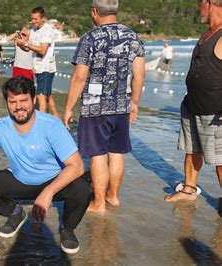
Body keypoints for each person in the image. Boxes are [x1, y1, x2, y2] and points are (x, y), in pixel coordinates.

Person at [0, 76, 91, 254]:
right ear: (7, 103)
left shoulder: (51, 125)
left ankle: (68, 228)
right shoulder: (0, 127)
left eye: (23, 100)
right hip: (20, 179)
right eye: (13, 102)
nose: (18, 106)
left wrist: (48, 192)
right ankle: (15, 212)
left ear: (33, 99)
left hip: (53, 181)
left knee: (83, 189)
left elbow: (77, 166)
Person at [63, 0, 145, 214]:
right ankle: (113, 196)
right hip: (121, 105)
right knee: (117, 152)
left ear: (94, 12)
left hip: (95, 106)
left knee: (98, 154)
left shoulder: (90, 38)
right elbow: (139, 74)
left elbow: (80, 77)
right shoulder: (132, 37)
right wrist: (134, 103)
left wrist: (69, 107)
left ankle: (98, 203)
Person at [164, 0, 222, 207]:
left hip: (215, 111)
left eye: (199, 4)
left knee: (221, 160)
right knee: (192, 150)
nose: (198, 10)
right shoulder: (209, 32)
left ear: (208, 3)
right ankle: (189, 189)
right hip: (192, 105)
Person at [16, 7, 59, 117]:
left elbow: (42, 50)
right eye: (32, 19)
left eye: (36, 19)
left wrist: (25, 44)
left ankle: (41, 123)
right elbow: (29, 49)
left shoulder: (47, 30)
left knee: (41, 96)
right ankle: (59, 121)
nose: (33, 21)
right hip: (37, 68)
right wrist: (21, 45)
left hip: (46, 67)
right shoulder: (34, 30)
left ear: (43, 18)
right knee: (48, 96)